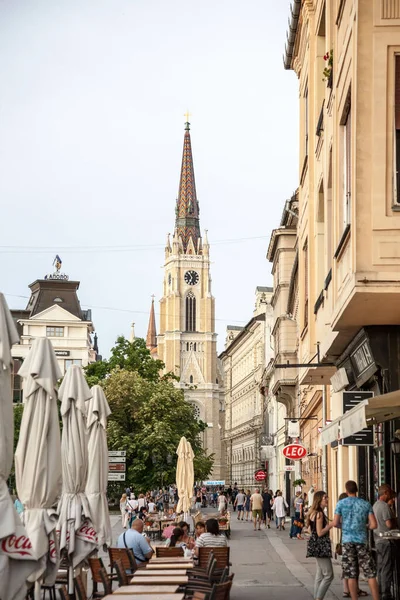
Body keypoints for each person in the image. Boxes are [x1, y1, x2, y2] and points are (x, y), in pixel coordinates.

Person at [332, 480, 379, 600]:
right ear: (356, 490)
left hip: (347, 541)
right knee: (370, 572)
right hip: (361, 540)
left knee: (351, 573)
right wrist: (364, 526)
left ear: (346, 490)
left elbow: (336, 523)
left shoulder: (341, 504)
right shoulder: (365, 504)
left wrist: (346, 526)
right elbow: (374, 525)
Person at [306, 491, 335, 600]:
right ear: (319, 500)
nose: (327, 499)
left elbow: (310, 530)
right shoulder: (319, 514)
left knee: (320, 574)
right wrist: (331, 525)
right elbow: (320, 532)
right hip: (321, 546)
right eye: (325, 498)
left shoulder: (313, 512)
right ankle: (319, 598)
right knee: (328, 575)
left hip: (316, 545)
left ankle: (316, 596)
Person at [373, 484, 396, 600]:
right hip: (386, 541)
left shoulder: (375, 505)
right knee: (387, 568)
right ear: (385, 493)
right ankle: (386, 594)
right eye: (390, 494)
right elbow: (389, 524)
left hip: (377, 540)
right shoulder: (384, 506)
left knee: (381, 568)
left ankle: (381, 591)